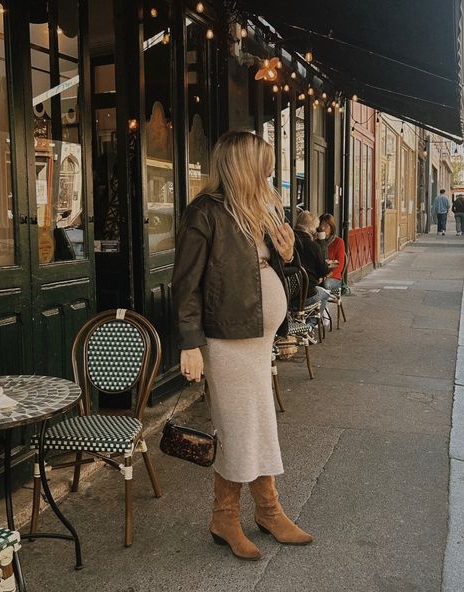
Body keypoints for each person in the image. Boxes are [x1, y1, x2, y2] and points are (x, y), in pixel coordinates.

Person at [172, 131, 313, 562]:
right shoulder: (205, 212)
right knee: (238, 426)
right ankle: (237, 516)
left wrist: (287, 253)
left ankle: (253, 512)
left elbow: (266, 264)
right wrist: (190, 343)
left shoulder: (261, 207)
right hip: (226, 338)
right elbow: (186, 282)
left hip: (257, 335)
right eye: (264, 164)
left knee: (256, 422)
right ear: (243, 165)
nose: (270, 172)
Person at [294, 211, 330, 321]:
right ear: (312, 228)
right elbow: (323, 271)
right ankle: (311, 323)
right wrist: (322, 242)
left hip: (287, 295)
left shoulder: (288, 242)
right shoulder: (313, 246)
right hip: (307, 295)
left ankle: (300, 321)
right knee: (325, 293)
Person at [318, 213, 345, 292]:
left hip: (333, 277)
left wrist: (326, 276)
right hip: (319, 275)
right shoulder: (317, 241)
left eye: (326, 225)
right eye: (321, 225)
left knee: (325, 284)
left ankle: (323, 303)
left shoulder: (338, 242)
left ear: (331, 228)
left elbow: (339, 265)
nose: (322, 228)